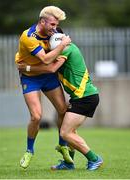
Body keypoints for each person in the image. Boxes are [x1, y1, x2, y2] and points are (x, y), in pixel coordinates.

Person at [17, 32, 103, 171]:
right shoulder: (66, 49)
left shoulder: (67, 49)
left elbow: (50, 67)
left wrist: (27, 67)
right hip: (82, 97)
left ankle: (95, 159)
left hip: (85, 98)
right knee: (70, 132)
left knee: (65, 133)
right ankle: (68, 163)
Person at [15, 6, 74, 169]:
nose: (55, 29)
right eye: (52, 24)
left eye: (56, 25)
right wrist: (63, 45)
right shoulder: (28, 37)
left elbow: (50, 67)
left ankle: (63, 145)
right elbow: (47, 60)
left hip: (47, 76)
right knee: (36, 116)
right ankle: (29, 150)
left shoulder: (54, 35)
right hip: (31, 79)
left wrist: (27, 67)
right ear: (42, 22)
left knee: (63, 110)